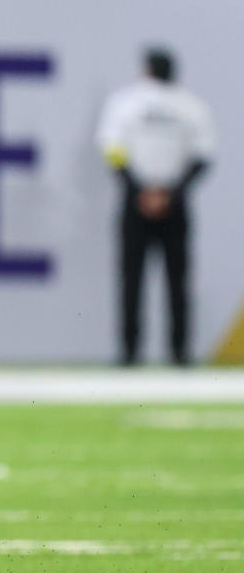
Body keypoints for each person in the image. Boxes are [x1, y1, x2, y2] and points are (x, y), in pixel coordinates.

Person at [97, 48, 214, 366]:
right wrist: (171, 192)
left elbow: (112, 150)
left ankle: (129, 353)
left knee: (132, 280)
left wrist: (139, 189)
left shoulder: (125, 103)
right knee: (177, 281)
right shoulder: (191, 107)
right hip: (174, 200)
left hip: (137, 199)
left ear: (146, 70)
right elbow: (202, 157)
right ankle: (179, 353)